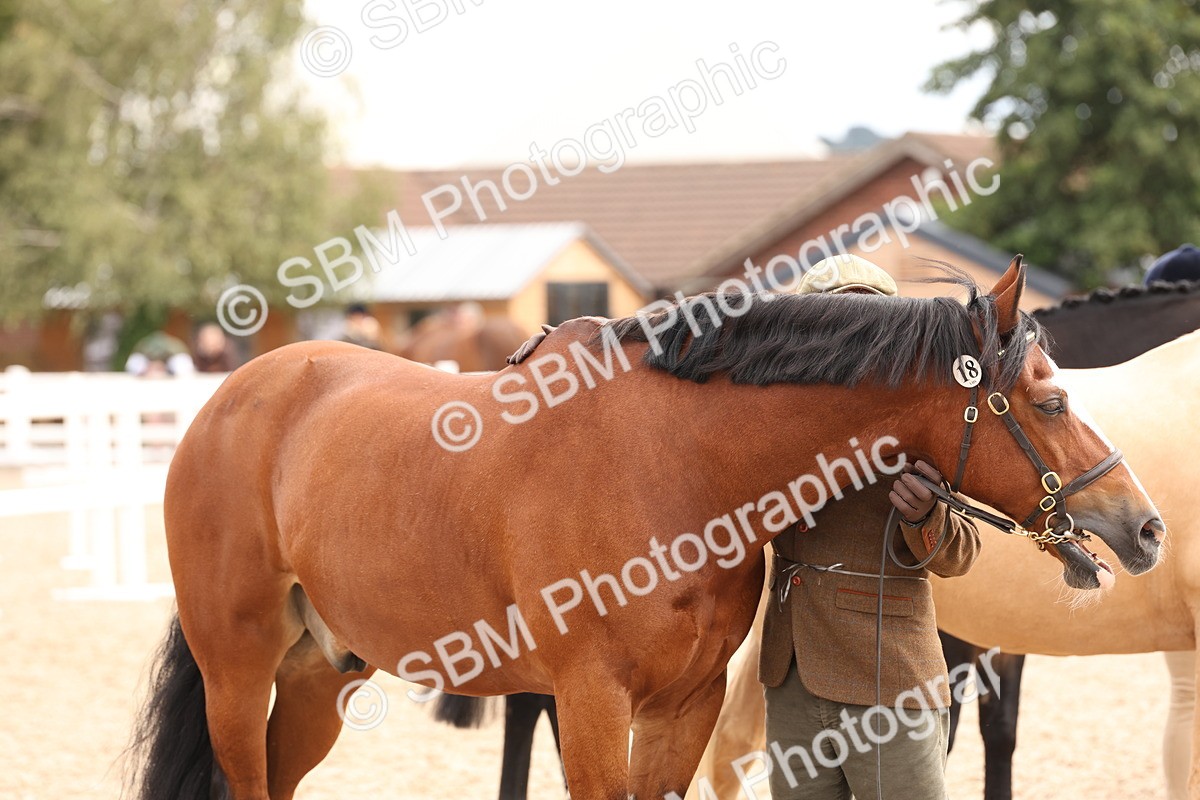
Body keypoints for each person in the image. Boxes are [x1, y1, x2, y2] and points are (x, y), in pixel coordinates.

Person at [760, 254, 982, 800]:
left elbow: (963, 555)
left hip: (893, 684)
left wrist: (926, 517)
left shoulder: (925, 419)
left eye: (863, 322)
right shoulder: (771, 419)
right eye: (830, 321)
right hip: (790, 678)